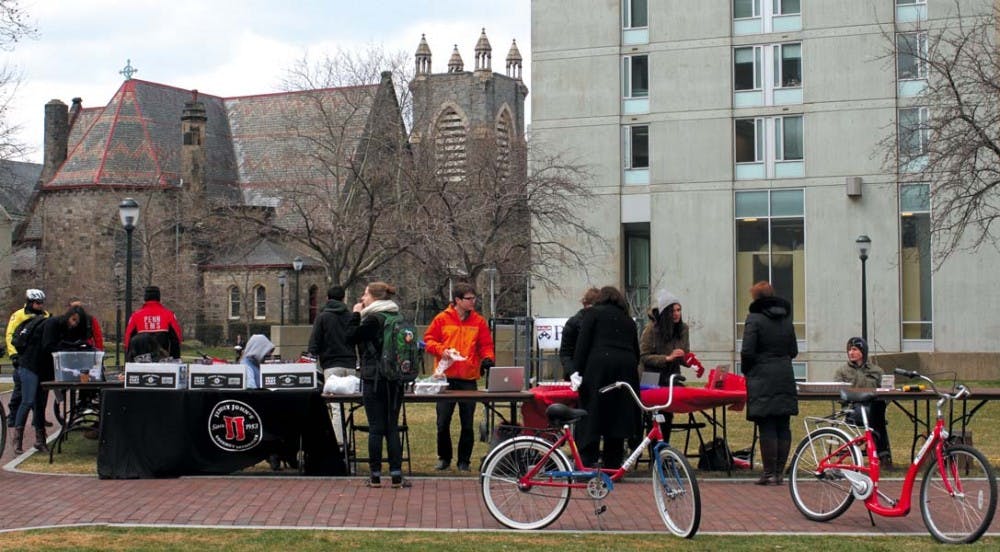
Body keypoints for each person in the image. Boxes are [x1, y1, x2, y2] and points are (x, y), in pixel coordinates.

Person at [423, 283, 495, 472]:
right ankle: (444, 457)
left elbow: (486, 345)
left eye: (474, 298)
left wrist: (488, 358)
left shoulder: (479, 321)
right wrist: (442, 350)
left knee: (467, 422)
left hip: (468, 377)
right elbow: (428, 340)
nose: (473, 301)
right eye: (469, 298)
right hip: (445, 377)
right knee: (443, 421)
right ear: (457, 300)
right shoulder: (442, 319)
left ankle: (464, 460)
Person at [346, 281, 408, 488]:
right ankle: (396, 474)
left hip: (374, 378)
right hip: (395, 380)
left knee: (376, 427)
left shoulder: (372, 319)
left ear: (374, 297)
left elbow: (350, 337)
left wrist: (355, 315)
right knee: (391, 426)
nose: (362, 299)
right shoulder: (397, 317)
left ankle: (375, 475)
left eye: (365, 294)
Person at [572, 285, 643, 469]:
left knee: (592, 412)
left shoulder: (593, 314)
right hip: (625, 369)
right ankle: (613, 462)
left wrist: (575, 371)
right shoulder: (628, 321)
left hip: (599, 367)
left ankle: (587, 459)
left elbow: (582, 345)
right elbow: (636, 352)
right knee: (618, 415)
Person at [740, 281, 798, 485]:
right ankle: (780, 473)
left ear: (756, 298)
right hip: (784, 374)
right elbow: (794, 351)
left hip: (762, 375)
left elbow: (747, 351)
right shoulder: (786, 319)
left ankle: (768, 472)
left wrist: (748, 370)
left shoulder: (753, 319)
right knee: (783, 424)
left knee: (766, 424)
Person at [12, 304, 88, 454]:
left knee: (40, 403)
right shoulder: (52, 324)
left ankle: (40, 441)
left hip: (44, 368)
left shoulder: (66, 329)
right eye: (73, 320)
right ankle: (17, 440)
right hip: (30, 364)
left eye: (76, 322)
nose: (74, 324)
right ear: (69, 315)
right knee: (27, 400)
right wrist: (68, 347)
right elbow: (48, 346)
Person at [639, 290, 698, 443]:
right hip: (650, 376)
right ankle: (654, 453)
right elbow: (643, 356)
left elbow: (685, 354)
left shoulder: (683, 329)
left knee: (667, 415)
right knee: (654, 416)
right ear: (665, 312)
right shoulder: (651, 329)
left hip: (671, 376)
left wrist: (691, 362)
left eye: (679, 310)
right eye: (673, 310)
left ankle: (663, 451)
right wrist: (667, 357)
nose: (677, 314)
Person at [308, 285, 356, 446]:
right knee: (347, 406)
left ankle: (340, 445)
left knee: (336, 408)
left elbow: (314, 343)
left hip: (331, 365)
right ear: (343, 299)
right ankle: (346, 441)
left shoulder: (323, 317)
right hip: (350, 364)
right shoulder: (350, 316)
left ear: (328, 299)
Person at [835, 336, 892, 467]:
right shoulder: (842, 371)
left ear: (863, 352)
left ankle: (881, 453)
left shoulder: (877, 371)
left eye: (854, 349)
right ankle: (883, 454)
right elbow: (838, 394)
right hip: (853, 409)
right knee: (878, 417)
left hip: (874, 407)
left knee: (878, 408)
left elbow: (887, 392)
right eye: (849, 350)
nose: (851, 352)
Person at [5, 289, 49, 430]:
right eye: (37, 303)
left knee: (40, 394)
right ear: (30, 302)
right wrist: (13, 355)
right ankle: (12, 418)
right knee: (19, 390)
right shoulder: (18, 315)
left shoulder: (45, 316)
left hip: (38, 360)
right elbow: (10, 335)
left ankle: (38, 420)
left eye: (41, 303)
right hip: (22, 358)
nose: (40, 305)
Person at [124, 286, 182, 361]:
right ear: (159, 297)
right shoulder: (169, 315)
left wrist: (128, 361)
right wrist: (175, 359)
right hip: (163, 361)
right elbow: (177, 339)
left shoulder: (135, 316)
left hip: (140, 362)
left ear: (145, 298)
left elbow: (128, 340)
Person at [558, 287, 599, 381]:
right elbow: (566, 353)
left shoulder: (573, 322)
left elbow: (565, 353)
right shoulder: (574, 323)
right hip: (578, 374)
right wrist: (572, 372)